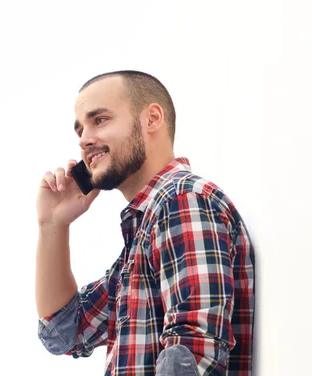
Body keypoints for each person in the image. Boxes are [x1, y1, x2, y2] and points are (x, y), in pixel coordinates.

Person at [35, 70, 255, 375]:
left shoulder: (181, 200)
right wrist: (53, 226)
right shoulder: (146, 229)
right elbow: (63, 332)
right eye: (80, 130)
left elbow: (192, 358)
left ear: (151, 119)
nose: (85, 140)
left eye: (100, 120)